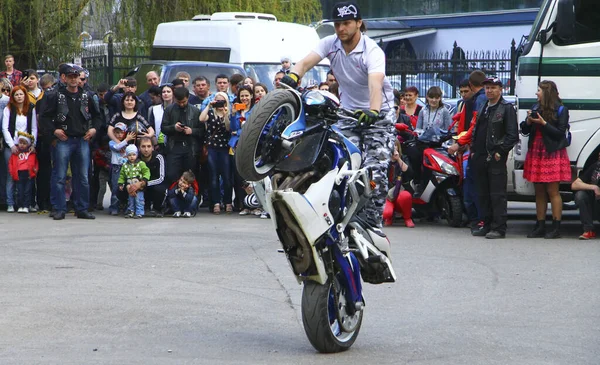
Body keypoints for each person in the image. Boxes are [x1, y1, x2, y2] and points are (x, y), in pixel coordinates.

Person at [281, 1, 396, 227]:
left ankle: (373, 224)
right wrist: (293, 75)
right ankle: (341, 216)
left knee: (375, 172)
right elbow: (305, 62)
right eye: (337, 24)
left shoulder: (372, 50)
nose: (341, 28)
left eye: (346, 23)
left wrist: (373, 110)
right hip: (348, 115)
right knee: (341, 167)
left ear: (358, 23)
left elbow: (375, 83)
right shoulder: (330, 44)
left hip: (378, 116)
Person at [40, 64, 102, 220]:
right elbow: (44, 117)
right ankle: (59, 208)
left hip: (82, 139)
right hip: (64, 140)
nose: (74, 80)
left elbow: (98, 116)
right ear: (65, 78)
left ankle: (82, 208)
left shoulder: (86, 96)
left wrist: (94, 129)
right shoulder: (56, 96)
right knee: (59, 175)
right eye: (71, 77)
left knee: (82, 176)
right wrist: (54, 131)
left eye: (77, 77)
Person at [521, 80, 571, 239]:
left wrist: (543, 123)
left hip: (551, 151)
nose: (536, 93)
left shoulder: (561, 109)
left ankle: (556, 227)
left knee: (553, 191)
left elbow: (560, 133)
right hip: (536, 150)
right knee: (539, 191)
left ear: (547, 93)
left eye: (539, 91)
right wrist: (528, 121)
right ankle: (540, 225)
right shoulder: (536, 107)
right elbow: (524, 130)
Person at [469, 77, 518, 239]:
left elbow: (512, 135)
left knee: (497, 194)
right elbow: (477, 130)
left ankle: (499, 227)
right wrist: (474, 150)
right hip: (480, 156)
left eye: (492, 88)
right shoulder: (484, 106)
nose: (489, 90)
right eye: (487, 88)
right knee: (482, 193)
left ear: (500, 89)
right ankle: (487, 223)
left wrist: (500, 151)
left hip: (495, 157)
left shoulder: (506, 108)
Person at [2, 85, 37, 213]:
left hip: (27, 147)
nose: (19, 97)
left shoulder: (31, 109)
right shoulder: (8, 109)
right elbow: (5, 128)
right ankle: (10, 202)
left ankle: (29, 203)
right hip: (12, 146)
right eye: (16, 94)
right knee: (11, 174)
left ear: (25, 95)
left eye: (21, 94)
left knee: (28, 174)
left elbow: (34, 128)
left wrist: (33, 144)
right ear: (13, 97)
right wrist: (11, 145)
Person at [162, 87, 204, 184]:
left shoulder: (195, 111)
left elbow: (202, 131)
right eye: (179, 102)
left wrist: (192, 131)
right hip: (174, 147)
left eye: (184, 102)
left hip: (190, 148)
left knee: (191, 175)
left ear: (188, 98)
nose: (181, 104)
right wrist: (174, 127)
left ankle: (192, 197)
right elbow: (163, 128)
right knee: (172, 175)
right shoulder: (169, 110)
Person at [413, 86, 452, 191]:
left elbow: (448, 130)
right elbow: (418, 128)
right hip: (424, 144)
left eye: (436, 97)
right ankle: (420, 185)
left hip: (438, 145)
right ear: (427, 98)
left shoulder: (444, 111)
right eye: (431, 97)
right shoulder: (423, 111)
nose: (434, 100)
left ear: (440, 98)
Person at [199, 91, 232, 214]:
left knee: (227, 176)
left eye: (221, 100)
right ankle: (216, 202)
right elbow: (201, 119)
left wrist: (226, 114)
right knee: (213, 177)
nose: (219, 102)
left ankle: (228, 202)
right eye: (217, 100)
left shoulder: (227, 112)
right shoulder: (211, 113)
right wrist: (209, 105)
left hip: (224, 148)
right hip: (212, 147)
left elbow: (229, 128)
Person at [230, 85, 254, 213]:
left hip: (251, 146)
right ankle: (243, 204)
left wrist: (239, 132)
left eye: (246, 95)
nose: (244, 98)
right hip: (237, 146)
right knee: (239, 177)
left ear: (251, 96)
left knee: (251, 177)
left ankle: (255, 204)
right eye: (242, 96)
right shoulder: (237, 110)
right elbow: (233, 128)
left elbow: (252, 128)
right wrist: (234, 114)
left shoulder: (256, 109)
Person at [383, 145, 414, 228]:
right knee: (387, 213)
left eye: (395, 146)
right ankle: (389, 217)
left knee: (406, 196)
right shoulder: (383, 159)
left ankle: (407, 218)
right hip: (387, 194)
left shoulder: (404, 158)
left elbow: (409, 172)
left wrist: (398, 159)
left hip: (400, 191)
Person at [8, 132, 38, 213]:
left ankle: (26, 206)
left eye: (24, 143)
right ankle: (20, 206)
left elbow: (35, 163)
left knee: (27, 191)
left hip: (28, 174)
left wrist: (35, 170)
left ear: (28, 144)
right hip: (19, 175)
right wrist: (12, 172)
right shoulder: (15, 154)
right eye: (20, 143)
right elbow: (11, 163)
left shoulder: (31, 153)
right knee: (20, 191)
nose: (22, 145)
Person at [108, 122, 135, 215]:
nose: (119, 135)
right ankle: (114, 207)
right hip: (116, 167)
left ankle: (128, 207)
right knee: (115, 187)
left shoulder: (128, 143)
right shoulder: (112, 142)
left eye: (121, 132)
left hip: (126, 167)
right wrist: (126, 140)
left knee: (127, 186)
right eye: (116, 132)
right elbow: (116, 147)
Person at [572, 153, 600, 240]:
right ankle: (588, 230)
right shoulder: (596, 166)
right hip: (595, 202)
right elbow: (574, 184)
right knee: (580, 195)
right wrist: (594, 187)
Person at [118, 144, 150, 218]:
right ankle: (131, 211)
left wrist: (144, 179)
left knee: (139, 200)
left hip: (139, 186)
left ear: (137, 155)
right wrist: (120, 183)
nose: (132, 157)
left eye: (133, 154)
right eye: (129, 155)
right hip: (130, 186)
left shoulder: (141, 163)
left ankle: (139, 212)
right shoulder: (125, 165)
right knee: (131, 200)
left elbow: (146, 171)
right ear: (126, 156)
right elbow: (122, 175)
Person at [137, 137, 167, 216]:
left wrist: (146, 183)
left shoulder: (159, 157)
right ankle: (132, 207)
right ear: (139, 148)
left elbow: (161, 178)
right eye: (143, 146)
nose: (146, 149)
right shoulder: (135, 158)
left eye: (149, 146)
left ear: (153, 148)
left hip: (154, 184)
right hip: (140, 184)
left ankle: (157, 208)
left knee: (160, 189)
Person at [148, 84, 174, 149]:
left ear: (173, 94)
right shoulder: (155, 109)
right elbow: (151, 127)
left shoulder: (177, 108)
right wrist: (155, 144)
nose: (166, 94)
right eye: (164, 92)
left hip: (174, 144)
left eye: (168, 92)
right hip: (159, 144)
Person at [92, 137, 110, 210]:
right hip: (102, 172)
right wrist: (104, 165)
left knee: (114, 188)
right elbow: (97, 160)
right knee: (102, 189)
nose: (106, 146)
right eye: (105, 144)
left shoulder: (113, 150)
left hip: (111, 171)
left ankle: (115, 203)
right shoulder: (99, 152)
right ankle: (99, 203)